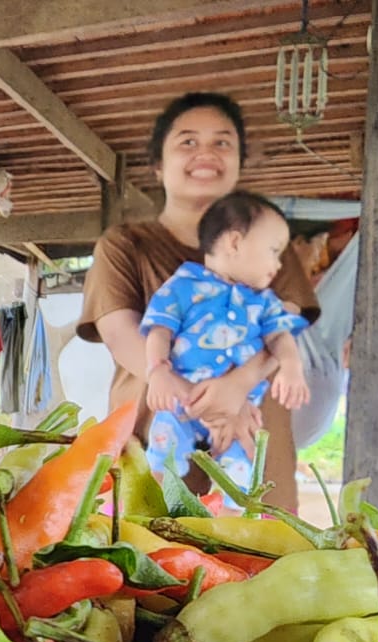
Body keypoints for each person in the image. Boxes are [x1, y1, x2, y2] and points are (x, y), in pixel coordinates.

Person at [79, 93, 320, 508]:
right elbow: (122, 336)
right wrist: (212, 405)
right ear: (158, 164)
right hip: (158, 445)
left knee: (262, 559)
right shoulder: (124, 245)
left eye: (223, 142)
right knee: (156, 558)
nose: (205, 153)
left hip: (254, 442)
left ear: (240, 162)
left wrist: (238, 387)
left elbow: (282, 334)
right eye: (187, 142)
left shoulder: (273, 248)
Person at [141, 191, 310, 492]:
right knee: (161, 457)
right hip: (180, 401)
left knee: (242, 468)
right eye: (274, 250)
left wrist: (291, 365)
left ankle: (233, 526)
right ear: (234, 242)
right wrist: (158, 371)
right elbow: (159, 331)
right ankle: (147, 509)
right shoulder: (183, 286)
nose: (279, 265)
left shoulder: (265, 302)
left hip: (237, 410)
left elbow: (280, 337)